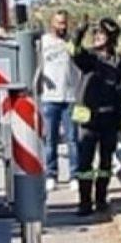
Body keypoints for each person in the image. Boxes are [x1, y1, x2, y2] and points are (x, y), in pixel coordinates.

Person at [68, 18, 121, 216]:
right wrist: (79, 32)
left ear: (111, 38)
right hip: (88, 120)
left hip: (111, 119)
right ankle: (84, 202)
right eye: (95, 33)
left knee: (106, 164)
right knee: (85, 164)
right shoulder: (89, 58)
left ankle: (101, 199)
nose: (97, 37)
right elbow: (73, 50)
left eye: (101, 34)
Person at [37, 10, 82, 187]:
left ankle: (74, 176)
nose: (62, 27)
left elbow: (81, 61)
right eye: (59, 23)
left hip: (70, 97)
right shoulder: (43, 42)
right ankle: (51, 174)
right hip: (49, 97)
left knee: (73, 139)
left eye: (65, 23)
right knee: (51, 139)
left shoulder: (72, 41)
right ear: (52, 23)